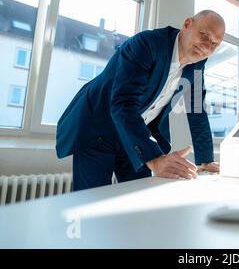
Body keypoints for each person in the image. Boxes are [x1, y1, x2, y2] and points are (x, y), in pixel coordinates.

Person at [56, 10, 225, 191]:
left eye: (214, 44)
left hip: (135, 134)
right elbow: (123, 103)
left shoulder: (197, 64)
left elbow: (197, 110)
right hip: (97, 126)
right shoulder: (146, 44)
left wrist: (206, 160)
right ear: (187, 24)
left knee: (140, 195)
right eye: (204, 35)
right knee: (89, 200)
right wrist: (155, 159)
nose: (207, 46)